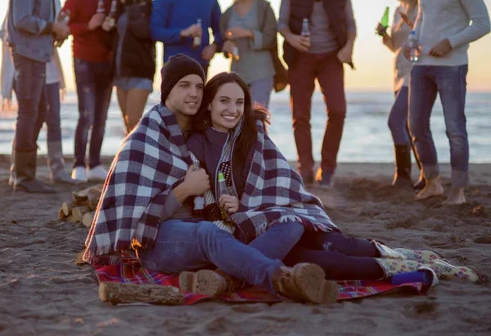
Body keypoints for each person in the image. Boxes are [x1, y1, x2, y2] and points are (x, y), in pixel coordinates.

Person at [181, 72, 477, 294]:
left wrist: (245, 204)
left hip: (276, 217)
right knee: (319, 263)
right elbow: (200, 197)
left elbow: (279, 182)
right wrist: (225, 206)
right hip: (241, 232)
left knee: (334, 243)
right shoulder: (194, 144)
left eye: (239, 102)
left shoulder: (253, 135)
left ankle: (411, 257)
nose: (232, 109)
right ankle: (404, 272)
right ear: (208, 105)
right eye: (223, 101)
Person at [84, 54, 339, 305]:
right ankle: (282, 278)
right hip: (161, 243)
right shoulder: (145, 139)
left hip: (213, 233)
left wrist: (236, 204)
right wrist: (184, 190)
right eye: (184, 86)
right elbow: (138, 222)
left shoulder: (201, 131)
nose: (194, 93)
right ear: (168, 92)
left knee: (289, 222)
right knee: (207, 233)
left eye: (198, 86)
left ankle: (222, 280)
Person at [406, 0, 490, 205]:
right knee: (416, 123)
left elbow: (482, 23)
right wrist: (412, 40)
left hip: (452, 66)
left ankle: (458, 190)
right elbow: (422, 18)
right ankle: (432, 182)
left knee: (454, 127)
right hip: (422, 65)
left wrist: (450, 42)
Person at [278, 0, 357, 188]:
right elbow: (281, 23)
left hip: (332, 57)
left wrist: (348, 48)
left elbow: (351, 24)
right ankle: (305, 168)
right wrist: (292, 38)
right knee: (300, 115)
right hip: (301, 57)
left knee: (338, 110)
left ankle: (328, 168)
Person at [5, 0, 69, 193]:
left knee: (38, 111)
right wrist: (51, 26)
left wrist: (54, 31)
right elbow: (21, 19)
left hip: (38, 53)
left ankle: (22, 174)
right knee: (30, 112)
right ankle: (23, 177)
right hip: (27, 54)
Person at [0, 0, 75, 185]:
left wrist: (59, 35)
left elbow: (56, 37)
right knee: (29, 117)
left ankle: (57, 170)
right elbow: (5, 33)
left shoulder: (55, 2)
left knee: (54, 119)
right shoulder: (22, 0)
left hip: (49, 71)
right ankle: (18, 169)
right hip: (25, 69)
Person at [63, 0, 119, 183]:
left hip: (107, 62)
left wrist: (111, 25)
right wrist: (89, 24)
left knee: (101, 116)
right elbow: (64, 27)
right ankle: (79, 164)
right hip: (83, 60)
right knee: (86, 114)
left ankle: (95, 163)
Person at [375, 0, 424, 189]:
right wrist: (385, 35)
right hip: (399, 71)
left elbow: (425, 37)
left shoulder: (421, 6)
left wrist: (414, 25)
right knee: (408, 125)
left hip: (416, 71)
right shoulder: (396, 10)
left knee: (395, 121)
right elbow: (395, 45)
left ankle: (404, 175)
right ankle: (424, 174)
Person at [220, 0, 279, 108]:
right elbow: (223, 41)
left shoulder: (264, 8)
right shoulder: (228, 13)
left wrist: (248, 33)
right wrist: (226, 47)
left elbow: (270, 38)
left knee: (257, 118)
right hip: (237, 73)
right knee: (237, 118)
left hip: (261, 72)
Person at [102, 0, 155, 134]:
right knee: (127, 123)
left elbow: (143, 32)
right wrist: (106, 30)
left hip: (140, 74)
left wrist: (131, 5)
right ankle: (129, 158)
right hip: (120, 75)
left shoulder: (145, 9)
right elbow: (115, 44)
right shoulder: (121, 10)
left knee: (134, 122)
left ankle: (139, 158)